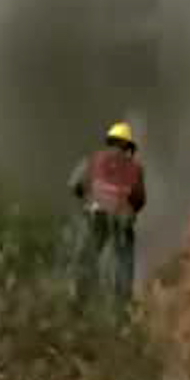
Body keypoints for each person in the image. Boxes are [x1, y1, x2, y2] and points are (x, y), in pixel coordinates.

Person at [68, 121, 147, 313]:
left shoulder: (93, 159)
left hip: (95, 213)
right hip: (122, 217)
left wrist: (88, 196)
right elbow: (139, 199)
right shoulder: (136, 168)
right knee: (123, 263)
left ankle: (80, 301)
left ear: (109, 142)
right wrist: (127, 208)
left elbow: (74, 185)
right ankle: (121, 307)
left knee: (87, 255)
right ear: (128, 147)